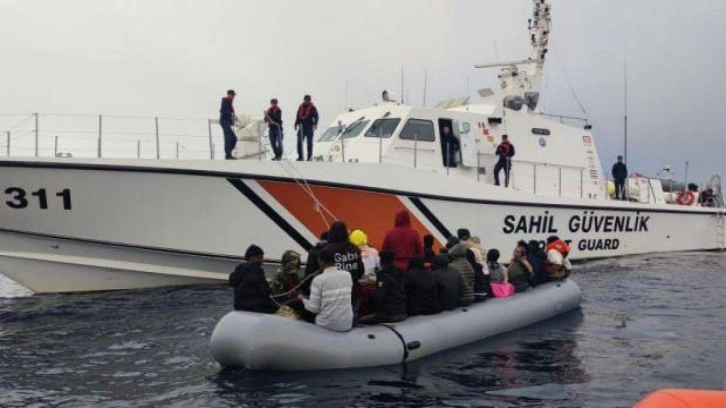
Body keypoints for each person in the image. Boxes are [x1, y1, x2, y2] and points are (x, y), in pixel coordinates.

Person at [298, 248, 353, 332]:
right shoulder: (347, 275)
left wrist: (302, 299)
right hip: (347, 324)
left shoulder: (319, 279)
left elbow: (314, 308)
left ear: (321, 262)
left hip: (326, 325)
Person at [326, 221, 365, 322]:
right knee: (353, 321)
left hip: (334, 294)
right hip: (353, 291)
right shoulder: (355, 249)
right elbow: (361, 271)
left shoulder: (328, 250)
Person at [359, 250, 407, 325]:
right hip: (401, 311)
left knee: (360, 321)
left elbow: (380, 297)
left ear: (381, 261)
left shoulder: (384, 276)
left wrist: (371, 293)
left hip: (389, 314)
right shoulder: (400, 274)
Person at [228, 244, 278, 313]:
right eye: (260, 258)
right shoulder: (257, 270)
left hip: (239, 306)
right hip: (256, 307)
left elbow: (233, 283)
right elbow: (265, 291)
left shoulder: (238, 269)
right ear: (252, 258)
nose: (262, 261)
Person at [294, 94, 319, 161]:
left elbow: (316, 116)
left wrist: (315, 124)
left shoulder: (313, 107)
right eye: (306, 100)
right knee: (299, 142)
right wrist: (295, 124)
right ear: (304, 100)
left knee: (309, 142)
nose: (307, 101)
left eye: (308, 100)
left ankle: (309, 156)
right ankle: (300, 156)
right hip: (302, 126)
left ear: (309, 100)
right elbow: (297, 116)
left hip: (309, 126)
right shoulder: (301, 107)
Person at [219, 89, 238, 160]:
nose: (234, 97)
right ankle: (228, 154)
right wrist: (231, 114)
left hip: (227, 122)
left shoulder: (229, 102)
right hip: (224, 121)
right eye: (233, 95)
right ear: (230, 94)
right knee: (228, 137)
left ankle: (228, 153)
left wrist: (233, 118)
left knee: (234, 138)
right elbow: (223, 110)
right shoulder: (225, 100)